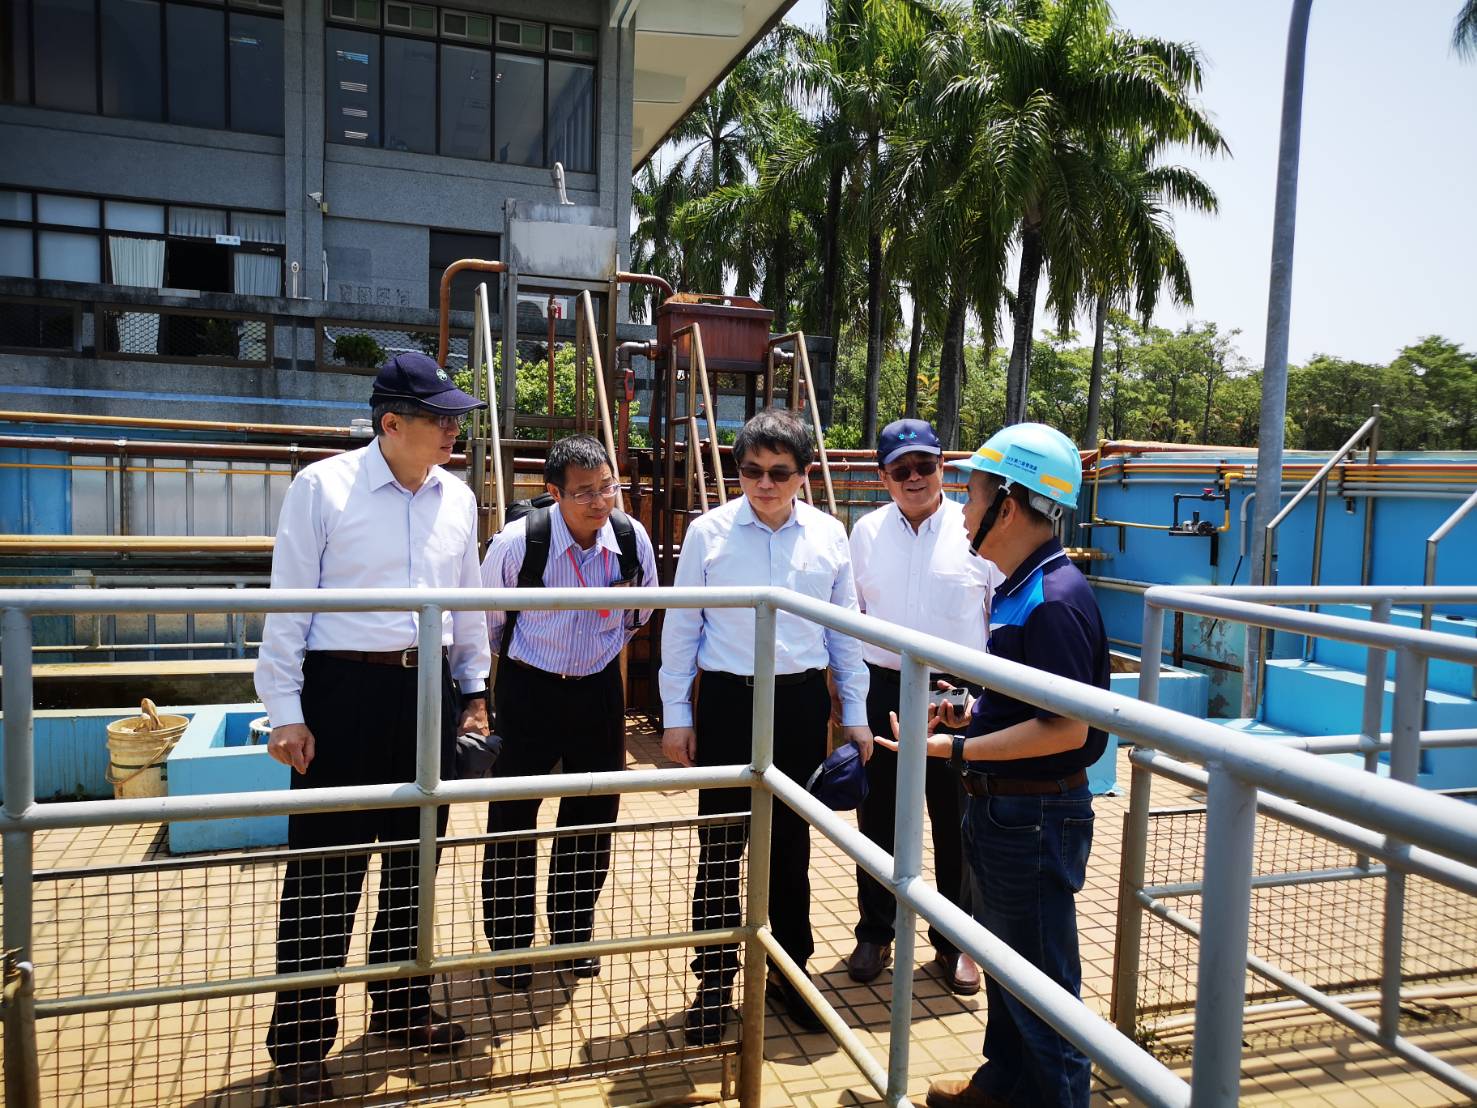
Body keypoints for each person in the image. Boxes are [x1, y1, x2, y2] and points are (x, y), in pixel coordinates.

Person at [254, 352, 492, 1104]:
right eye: (440, 419)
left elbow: (468, 603)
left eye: (456, 418)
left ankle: (400, 1005)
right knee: (325, 873)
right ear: (391, 423)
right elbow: (289, 602)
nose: (454, 430)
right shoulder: (323, 487)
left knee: (415, 862)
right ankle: (297, 1047)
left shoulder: (457, 497)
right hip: (344, 689)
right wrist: (286, 711)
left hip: (425, 690)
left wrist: (475, 692)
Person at [877, 422, 1107, 1108]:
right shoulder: (1018, 586)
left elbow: (1065, 728)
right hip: (1005, 808)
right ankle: (1001, 1087)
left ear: (1006, 503)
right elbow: (1026, 703)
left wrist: (957, 750)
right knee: (1008, 969)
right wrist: (967, 714)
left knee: (1040, 986)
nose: (963, 510)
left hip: (1032, 815)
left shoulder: (1054, 598)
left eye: (972, 497)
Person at [659, 407, 873, 1045]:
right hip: (726, 701)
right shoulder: (709, 532)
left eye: (780, 472)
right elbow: (681, 627)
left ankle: (791, 972)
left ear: (804, 474)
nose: (764, 483)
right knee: (721, 847)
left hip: (802, 704)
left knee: (791, 847)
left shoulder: (830, 535)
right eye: (751, 470)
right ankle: (713, 984)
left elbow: (847, 634)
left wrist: (854, 716)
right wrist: (677, 717)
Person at [480, 435, 658, 987]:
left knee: (592, 814)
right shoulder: (518, 543)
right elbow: (487, 620)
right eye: (584, 492)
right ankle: (508, 946)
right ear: (554, 493)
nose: (599, 501)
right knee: (513, 816)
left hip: (599, 689)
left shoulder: (630, 538)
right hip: (527, 689)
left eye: (607, 487)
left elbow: (643, 608)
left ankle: (572, 934)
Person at [846, 418, 1001, 995]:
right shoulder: (863, 533)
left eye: (925, 466)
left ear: (943, 467)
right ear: (882, 475)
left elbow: (997, 616)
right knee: (878, 814)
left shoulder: (976, 529)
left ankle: (957, 942)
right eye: (901, 469)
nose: (915, 478)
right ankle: (875, 928)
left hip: (955, 692)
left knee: (957, 822)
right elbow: (851, 616)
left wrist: (987, 700)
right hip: (884, 685)